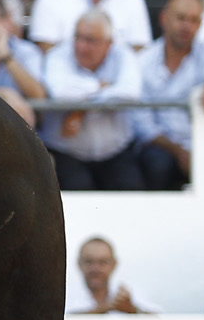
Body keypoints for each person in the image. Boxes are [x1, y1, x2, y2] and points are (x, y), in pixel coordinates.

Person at [39, 10, 146, 191]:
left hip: (115, 152)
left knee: (132, 193)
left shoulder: (123, 55)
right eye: (78, 37)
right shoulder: (58, 55)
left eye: (90, 40)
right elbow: (60, 92)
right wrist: (100, 86)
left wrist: (81, 110)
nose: (81, 46)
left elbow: (130, 93)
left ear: (108, 44)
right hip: (66, 153)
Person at [133, 0, 204, 190]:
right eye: (181, 18)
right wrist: (179, 151)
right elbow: (142, 123)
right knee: (157, 163)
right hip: (161, 147)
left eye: (193, 21)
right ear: (164, 18)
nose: (187, 26)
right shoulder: (144, 61)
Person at [67, 236, 154, 315]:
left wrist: (132, 310)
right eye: (89, 262)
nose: (96, 268)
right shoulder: (65, 293)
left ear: (114, 264)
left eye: (103, 262)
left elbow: (160, 319)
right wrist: (104, 308)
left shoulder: (130, 291)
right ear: (78, 263)